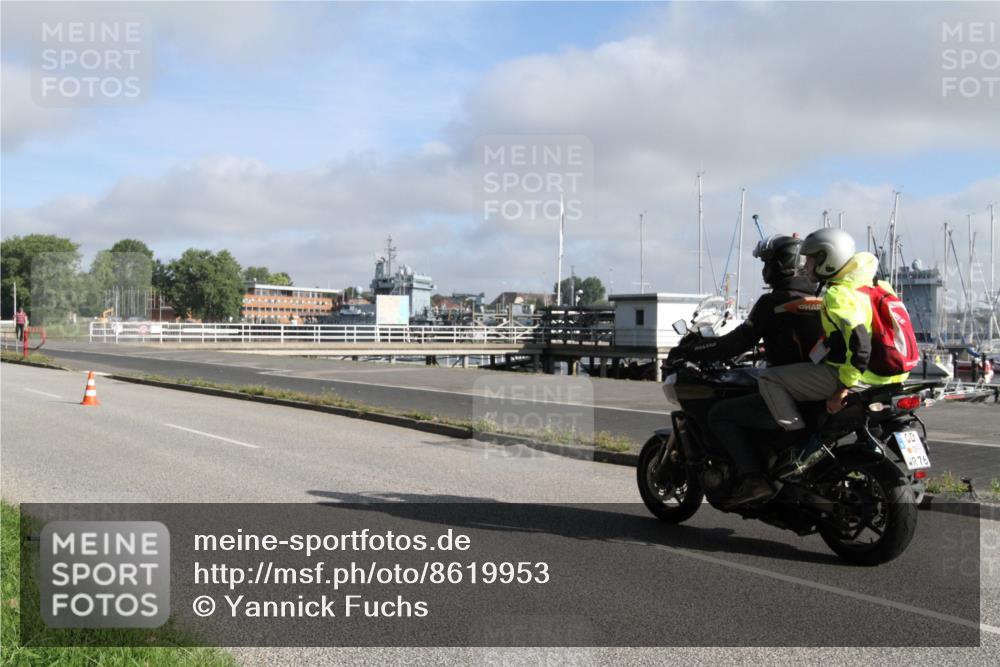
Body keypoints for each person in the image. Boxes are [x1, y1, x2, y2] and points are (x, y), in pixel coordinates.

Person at [668, 234, 824, 506]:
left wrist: (692, 350)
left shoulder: (773, 302)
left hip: (789, 392)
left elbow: (735, 342)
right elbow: (797, 341)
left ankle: (753, 479)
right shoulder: (820, 300)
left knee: (720, 415)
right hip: (818, 388)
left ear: (779, 264)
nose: (765, 269)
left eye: (767, 262)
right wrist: (768, 349)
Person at [756, 228, 910, 466]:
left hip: (860, 376)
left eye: (811, 259)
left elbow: (860, 345)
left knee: (768, 378)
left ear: (827, 260)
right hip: (891, 376)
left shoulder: (839, 294)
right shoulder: (877, 286)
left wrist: (842, 388)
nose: (806, 266)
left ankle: (796, 445)